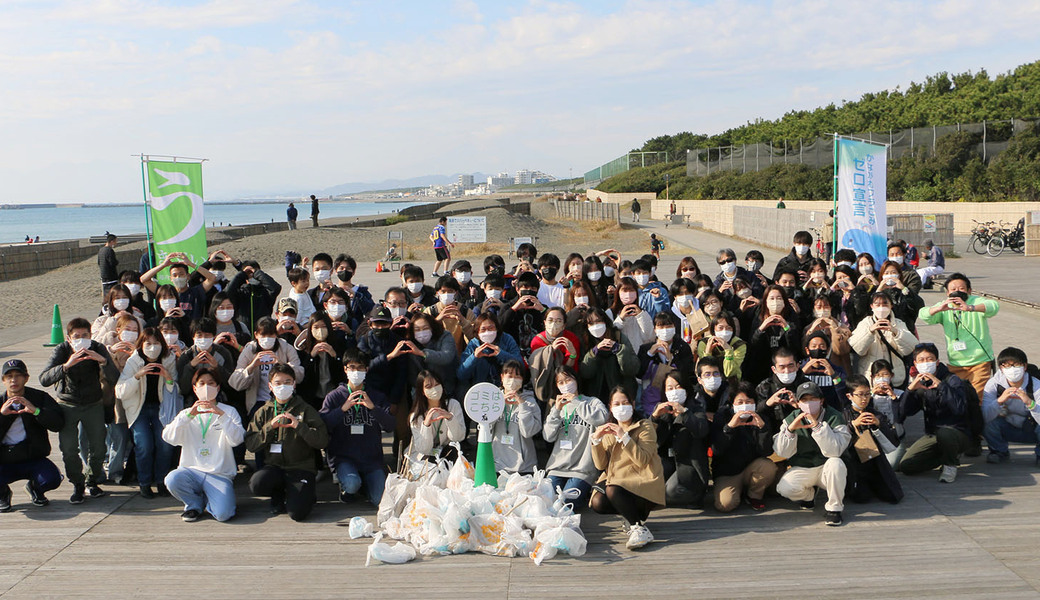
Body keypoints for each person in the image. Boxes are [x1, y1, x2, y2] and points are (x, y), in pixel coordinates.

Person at [39, 318, 118, 503]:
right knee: (69, 449)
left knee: (98, 447)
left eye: (85, 336)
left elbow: (115, 378)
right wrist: (66, 366)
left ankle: (92, 481)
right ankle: (77, 483)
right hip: (68, 404)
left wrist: (103, 362)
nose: (81, 339)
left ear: (91, 336)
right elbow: (44, 379)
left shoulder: (97, 348)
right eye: (77, 336)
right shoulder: (62, 350)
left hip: (94, 403)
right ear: (68, 338)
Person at [246, 363, 329, 520]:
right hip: (275, 467)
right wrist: (270, 427)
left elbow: (322, 441)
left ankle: (305, 493)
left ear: (294, 384)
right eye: (278, 383)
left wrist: (299, 426)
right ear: (270, 386)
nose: (282, 386)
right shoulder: (263, 411)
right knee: (256, 483)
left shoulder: (306, 409)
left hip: (301, 467)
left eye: (287, 382)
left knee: (297, 514)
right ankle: (279, 493)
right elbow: (251, 444)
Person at [162, 368, 245, 522]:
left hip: (219, 474)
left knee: (223, 514)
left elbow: (237, 439)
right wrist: (187, 417)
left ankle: (212, 499)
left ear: (218, 387)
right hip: (191, 470)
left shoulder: (229, 411)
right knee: (172, 479)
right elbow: (169, 437)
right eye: (202, 383)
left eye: (211, 383)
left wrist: (221, 416)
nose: (206, 387)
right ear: (195, 388)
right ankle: (194, 504)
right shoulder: (186, 413)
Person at [590, 387, 665, 550]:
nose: (621, 407)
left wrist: (624, 436)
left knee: (612, 490)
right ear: (610, 407)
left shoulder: (645, 426)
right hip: (618, 480)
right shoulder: (608, 429)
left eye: (625, 403)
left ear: (632, 404)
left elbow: (643, 460)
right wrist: (595, 441)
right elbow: (600, 465)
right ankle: (631, 516)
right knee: (597, 502)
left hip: (642, 480)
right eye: (616, 404)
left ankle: (638, 527)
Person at [320, 350, 394, 505]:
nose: (356, 372)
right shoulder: (334, 396)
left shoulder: (376, 396)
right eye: (352, 367)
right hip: (344, 458)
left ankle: (365, 485)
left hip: (371, 459)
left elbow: (389, 426)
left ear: (367, 370)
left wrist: (373, 408)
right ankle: (347, 490)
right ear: (345, 369)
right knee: (352, 484)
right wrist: (342, 409)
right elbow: (324, 425)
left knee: (379, 500)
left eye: (360, 368)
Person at [773, 381, 851, 526]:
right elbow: (782, 452)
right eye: (804, 400)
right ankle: (809, 496)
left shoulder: (835, 416)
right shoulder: (791, 419)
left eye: (813, 399)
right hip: (803, 467)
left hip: (826, 468)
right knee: (784, 488)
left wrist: (818, 427)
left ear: (821, 400)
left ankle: (834, 509)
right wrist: (790, 430)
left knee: (836, 463)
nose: (809, 403)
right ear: (798, 402)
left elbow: (834, 451)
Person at [115, 326, 179, 499]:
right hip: (139, 409)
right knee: (144, 444)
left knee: (165, 444)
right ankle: (144, 483)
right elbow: (120, 391)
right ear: (141, 345)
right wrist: (137, 376)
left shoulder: (169, 359)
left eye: (156, 343)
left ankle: (161, 481)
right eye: (148, 343)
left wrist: (167, 377)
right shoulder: (134, 361)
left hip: (161, 408)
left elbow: (176, 390)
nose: (152, 347)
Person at [897, 343, 975, 483]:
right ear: (915, 363)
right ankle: (946, 455)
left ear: (937, 362)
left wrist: (941, 386)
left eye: (930, 359)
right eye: (921, 360)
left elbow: (959, 408)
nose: (926, 363)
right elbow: (903, 412)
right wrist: (910, 390)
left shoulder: (952, 380)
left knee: (945, 433)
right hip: (933, 434)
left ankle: (950, 465)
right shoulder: (920, 383)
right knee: (906, 466)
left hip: (958, 432)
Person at [918, 273, 999, 399]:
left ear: (969, 291)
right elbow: (923, 315)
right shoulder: (944, 306)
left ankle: (978, 418)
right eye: (953, 289)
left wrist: (970, 308)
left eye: (961, 289)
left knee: (977, 398)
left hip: (979, 362)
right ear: (947, 293)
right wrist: (938, 309)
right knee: (959, 399)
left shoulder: (976, 302)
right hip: (956, 363)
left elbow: (993, 306)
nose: (957, 292)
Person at [0, 359, 65, 512]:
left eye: (18, 375)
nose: (13, 380)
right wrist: (2, 416)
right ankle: (3, 494)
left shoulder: (40, 398)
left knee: (52, 479)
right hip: (4, 460)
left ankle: (35, 488)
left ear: (26, 378)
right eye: (9, 376)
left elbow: (58, 424)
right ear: (3, 381)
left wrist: (36, 411)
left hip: (32, 458)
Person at [544, 366, 609, 512]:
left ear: (576, 380)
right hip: (557, 468)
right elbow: (548, 436)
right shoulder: (557, 406)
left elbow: (602, 419)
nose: (565, 384)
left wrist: (577, 403)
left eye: (568, 379)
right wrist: (556, 410)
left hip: (582, 469)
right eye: (560, 382)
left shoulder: (592, 402)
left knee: (565, 504)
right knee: (547, 502)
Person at [710, 381, 777, 512]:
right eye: (740, 402)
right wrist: (729, 427)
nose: (745, 406)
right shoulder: (722, 416)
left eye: (749, 401)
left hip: (752, 468)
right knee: (725, 504)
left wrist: (763, 429)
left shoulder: (760, 418)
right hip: (728, 472)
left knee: (768, 467)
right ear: (732, 403)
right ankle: (738, 490)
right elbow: (717, 450)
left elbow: (766, 451)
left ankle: (754, 495)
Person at [841, 375, 903, 504]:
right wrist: (853, 425)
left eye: (867, 394)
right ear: (849, 396)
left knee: (891, 495)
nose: (864, 399)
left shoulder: (875, 414)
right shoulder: (843, 414)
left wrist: (878, 425)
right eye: (860, 395)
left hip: (875, 461)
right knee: (861, 498)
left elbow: (892, 444)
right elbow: (838, 441)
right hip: (854, 463)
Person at [651, 372, 709, 507]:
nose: (674, 392)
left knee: (669, 492)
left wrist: (684, 412)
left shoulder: (696, 408)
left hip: (688, 465)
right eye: (670, 388)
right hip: (667, 461)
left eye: (678, 387)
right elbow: (648, 438)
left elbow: (701, 430)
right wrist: (654, 418)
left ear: (686, 389)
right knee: (649, 484)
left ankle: (694, 497)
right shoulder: (661, 409)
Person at [981, 347, 1040, 465]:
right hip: (1007, 425)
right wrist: (999, 401)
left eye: (1017, 365)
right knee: (988, 422)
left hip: (1031, 428)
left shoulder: (1036, 384)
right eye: (1007, 365)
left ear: (1025, 366)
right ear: (1001, 368)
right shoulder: (994, 384)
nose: (1012, 369)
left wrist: (1030, 403)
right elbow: (985, 416)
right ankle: (999, 451)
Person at [849, 292, 917, 389]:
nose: (881, 308)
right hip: (871, 376)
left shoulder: (899, 323)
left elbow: (910, 347)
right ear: (872, 306)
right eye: (877, 304)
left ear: (891, 306)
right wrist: (870, 331)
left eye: (885, 304)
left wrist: (895, 332)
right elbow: (858, 348)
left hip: (895, 375)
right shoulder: (865, 323)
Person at [491, 361, 542, 474]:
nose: (513, 380)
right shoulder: (492, 399)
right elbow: (485, 428)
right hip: (496, 465)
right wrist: (498, 405)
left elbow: (528, 432)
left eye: (517, 376)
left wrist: (522, 404)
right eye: (509, 376)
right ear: (502, 377)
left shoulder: (530, 402)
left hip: (523, 467)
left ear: (522, 380)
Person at [408, 370, 466, 464]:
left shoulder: (453, 405)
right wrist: (426, 425)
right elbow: (424, 449)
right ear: (422, 391)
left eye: (437, 384)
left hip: (447, 452)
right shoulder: (416, 416)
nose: (434, 389)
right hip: (423, 457)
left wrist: (450, 418)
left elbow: (458, 437)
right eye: (428, 387)